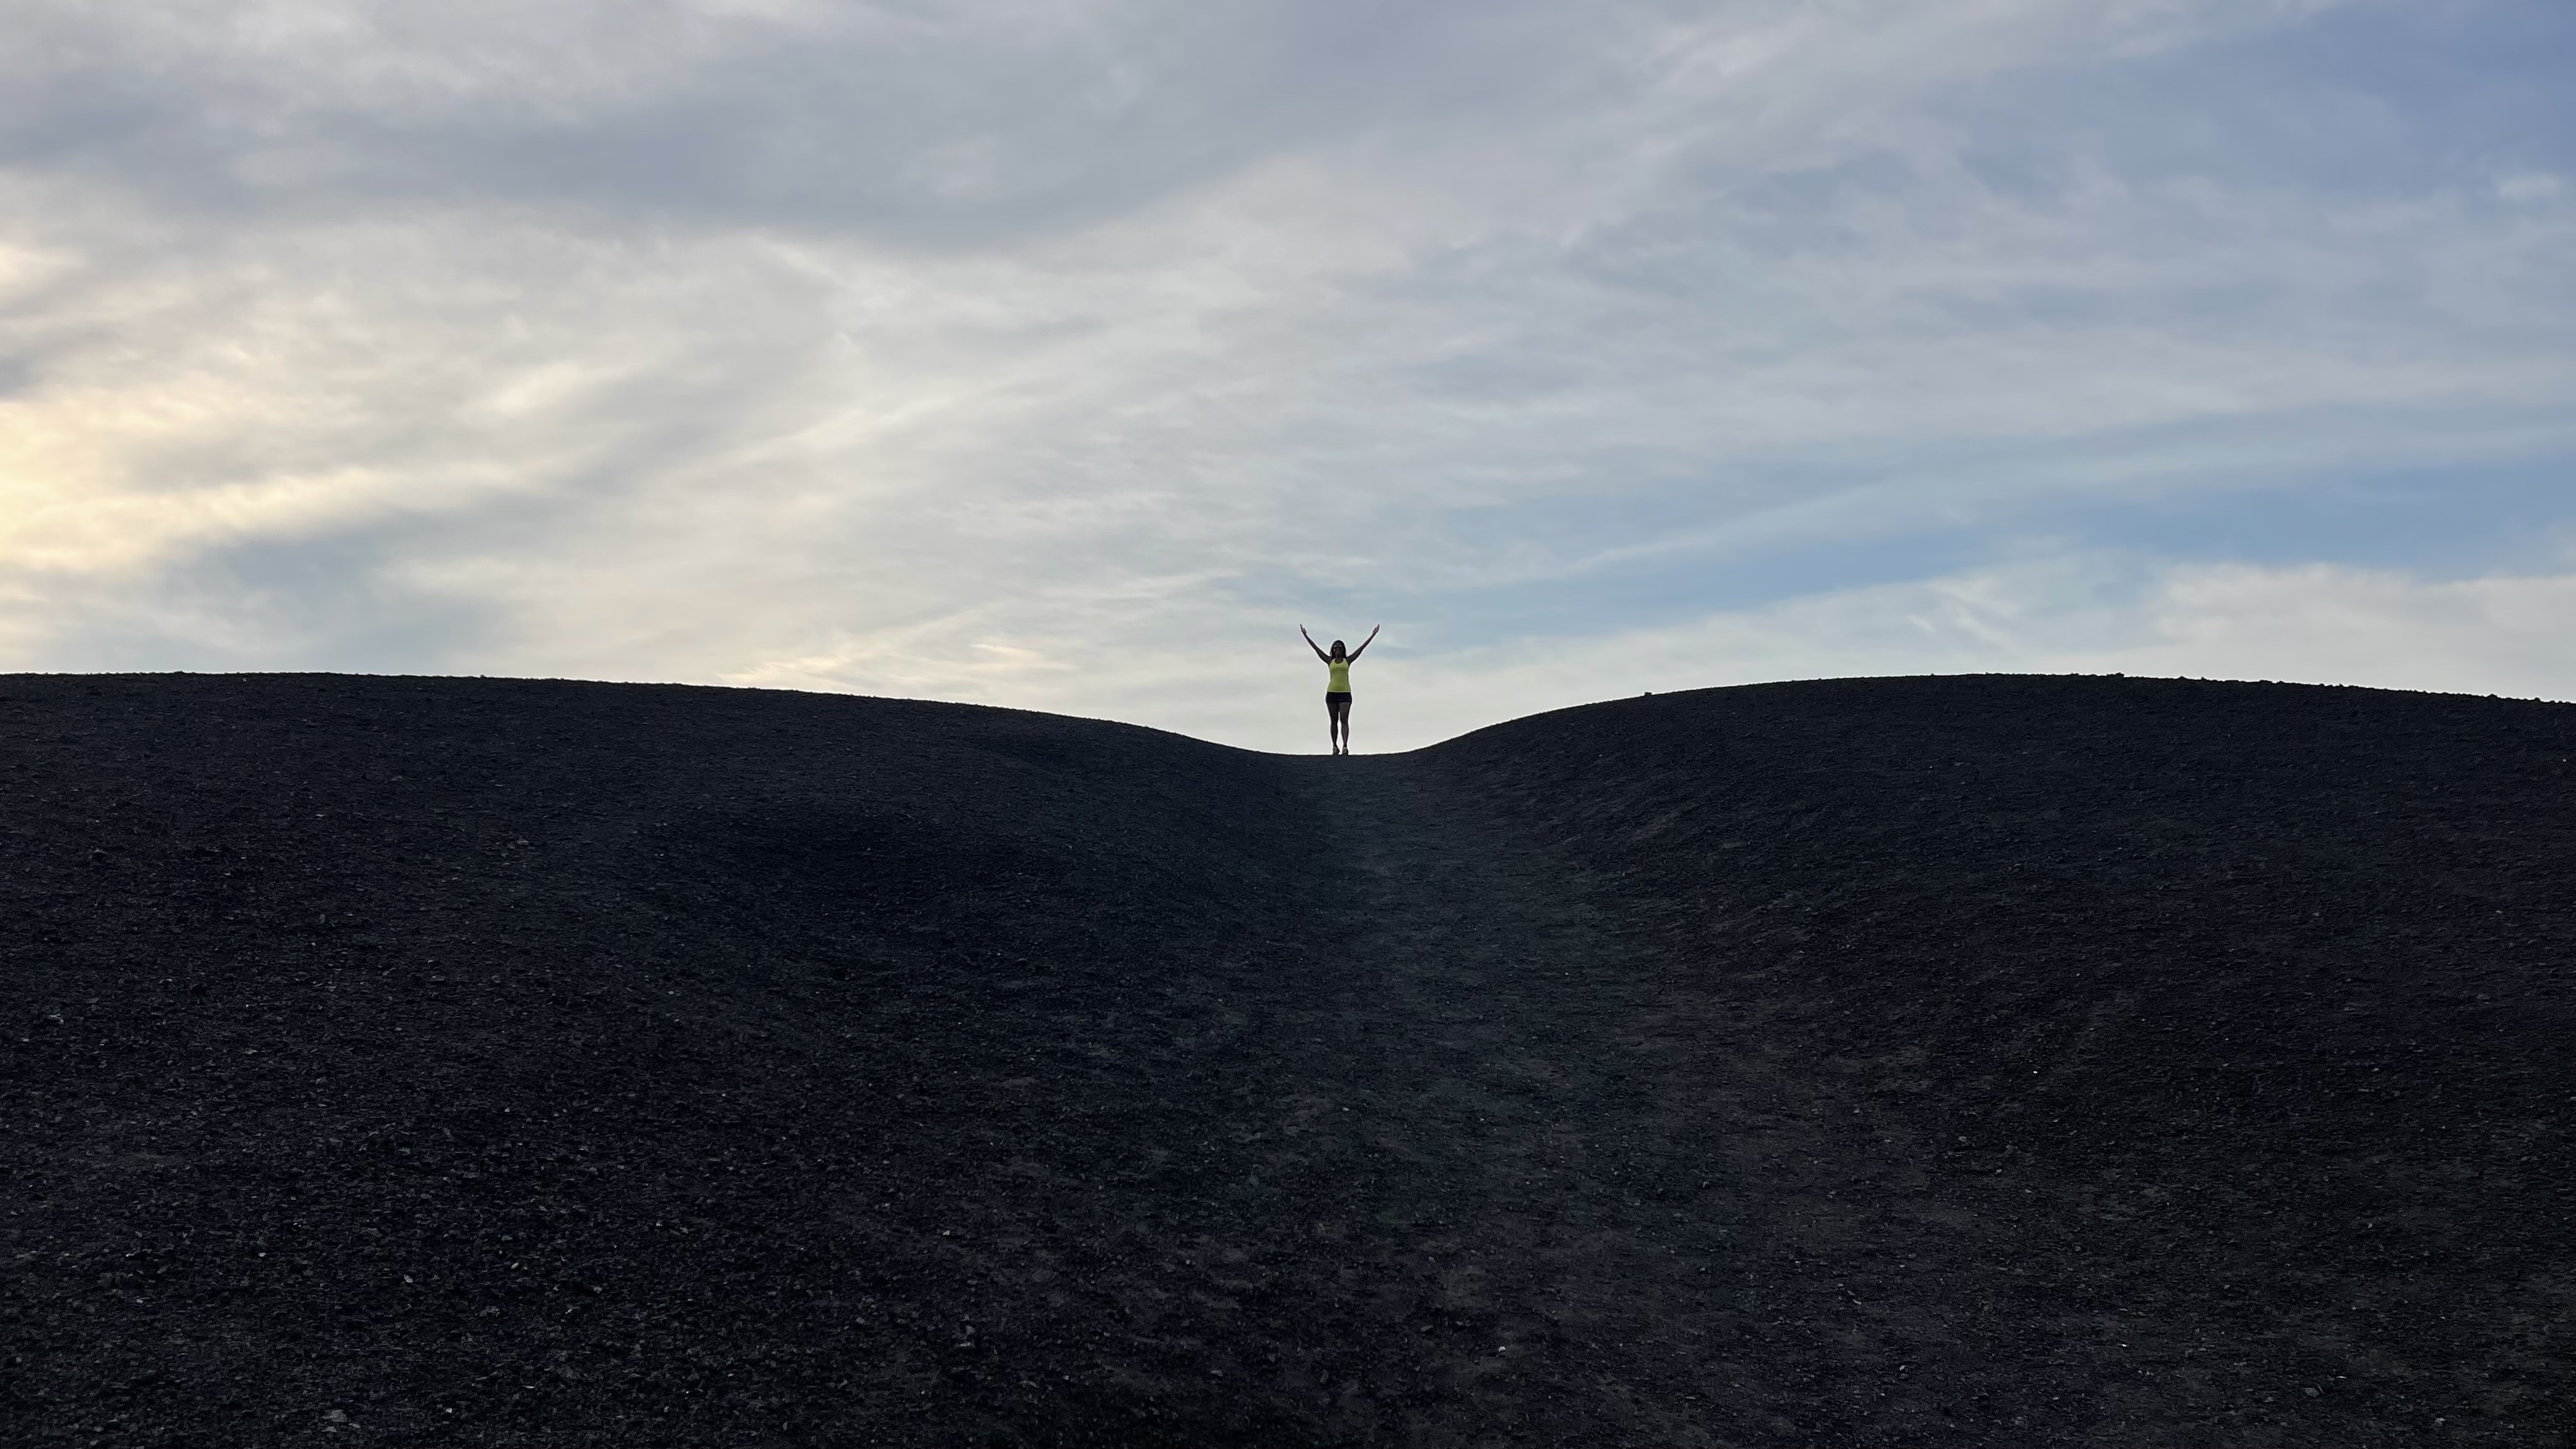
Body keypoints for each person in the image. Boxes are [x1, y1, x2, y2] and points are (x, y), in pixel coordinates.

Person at [1301, 624, 1377, 755]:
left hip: (1345, 693)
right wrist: (1306, 636)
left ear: (1343, 650)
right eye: (1335, 648)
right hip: (1331, 693)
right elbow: (1316, 649)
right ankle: (1335, 746)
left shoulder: (1347, 661)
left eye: (1340, 648)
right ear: (1332, 650)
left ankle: (1345, 746)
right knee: (1333, 720)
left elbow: (1361, 649)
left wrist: (1373, 635)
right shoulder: (1329, 660)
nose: (1338, 650)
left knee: (1344, 720)